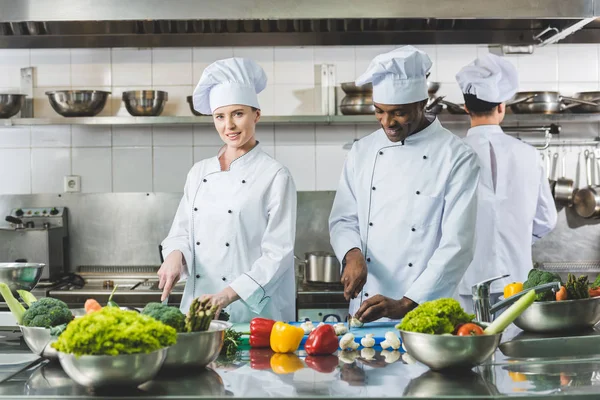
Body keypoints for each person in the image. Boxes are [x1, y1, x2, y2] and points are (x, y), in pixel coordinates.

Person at [329, 46, 480, 323]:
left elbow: (457, 245)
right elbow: (343, 219)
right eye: (379, 112)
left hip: (425, 309)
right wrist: (352, 255)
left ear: (422, 104)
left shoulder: (456, 157)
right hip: (365, 309)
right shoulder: (363, 151)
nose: (387, 123)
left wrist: (407, 303)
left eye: (398, 113)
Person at [158, 57, 297, 323]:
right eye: (220, 116)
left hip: (250, 312)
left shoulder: (275, 175)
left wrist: (226, 295)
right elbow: (181, 231)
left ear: (256, 114)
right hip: (198, 307)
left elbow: (278, 255)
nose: (229, 126)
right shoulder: (199, 172)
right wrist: (175, 254)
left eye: (238, 114)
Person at [455, 54, 557, 311]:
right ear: (501, 107)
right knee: (513, 349)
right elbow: (547, 220)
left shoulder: (450, 155)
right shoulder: (529, 154)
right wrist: (516, 237)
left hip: (465, 284)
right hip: (517, 283)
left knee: (470, 344)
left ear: (466, 107)